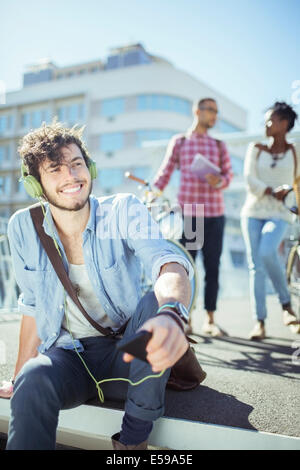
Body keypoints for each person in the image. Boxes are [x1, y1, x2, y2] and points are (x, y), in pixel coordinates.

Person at [1, 121, 195, 450]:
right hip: (67, 358)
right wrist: (20, 373)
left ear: (89, 168)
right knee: (33, 378)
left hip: (128, 356)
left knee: (154, 303)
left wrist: (173, 313)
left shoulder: (124, 209)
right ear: (36, 185)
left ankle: (133, 442)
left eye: (77, 164)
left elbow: (167, 261)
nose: (71, 177)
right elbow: (31, 304)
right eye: (55, 170)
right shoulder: (23, 227)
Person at [152, 98, 233, 337]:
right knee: (187, 268)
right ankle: (185, 319)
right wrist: (153, 192)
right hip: (192, 212)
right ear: (197, 111)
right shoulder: (180, 141)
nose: (215, 116)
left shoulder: (219, 145)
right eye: (211, 111)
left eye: (217, 112)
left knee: (213, 267)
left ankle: (210, 319)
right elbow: (165, 170)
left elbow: (228, 176)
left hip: (215, 212)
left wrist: (218, 180)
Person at [240, 102, 300, 340]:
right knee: (256, 267)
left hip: (280, 213)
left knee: (267, 252)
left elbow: (297, 182)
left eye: (270, 120)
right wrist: (269, 190)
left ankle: (286, 306)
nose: (266, 124)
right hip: (253, 212)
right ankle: (260, 322)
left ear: (284, 124)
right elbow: (248, 178)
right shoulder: (255, 148)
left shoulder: (295, 151)